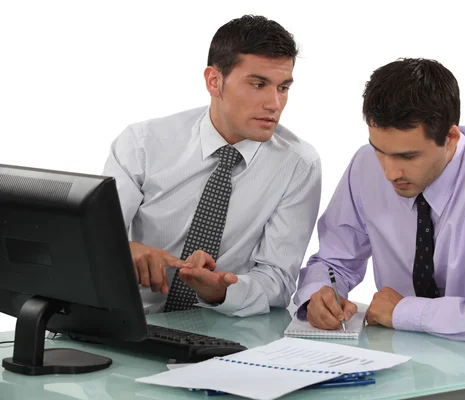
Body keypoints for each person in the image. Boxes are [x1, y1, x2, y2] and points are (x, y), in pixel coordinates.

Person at [294, 58, 465, 346]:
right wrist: (319, 295)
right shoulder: (365, 165)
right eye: (380, 150)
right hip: (400, 363)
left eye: (408, 157)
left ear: (451, 139)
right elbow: (335, 261)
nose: (390, 172)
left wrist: (406, 312)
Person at [103, 15, 321, 317]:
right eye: (258, 84)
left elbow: (279, 280)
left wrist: (223, 290)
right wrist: (124, 250)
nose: (274, 103)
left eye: (283, 87)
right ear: (214, 81)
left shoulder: (298, 164)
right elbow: (91, 240)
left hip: (220, 329)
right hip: (128, 317)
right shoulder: (142, 144)